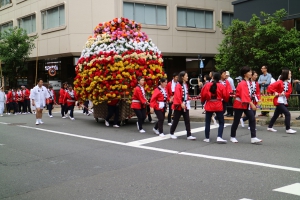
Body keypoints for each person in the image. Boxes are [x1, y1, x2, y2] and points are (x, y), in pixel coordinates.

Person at [230, 66, 262, 144]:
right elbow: (244, 95)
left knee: (252, 118)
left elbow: (250, 94)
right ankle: (232, 136)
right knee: (236, 121)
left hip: (246, 104)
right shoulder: (242, 83)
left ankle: (253, 137)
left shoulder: (249, 82)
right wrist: (252, 104)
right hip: (239, 104)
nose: (251, 73)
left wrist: (257, 100)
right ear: (245, 74)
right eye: (249, 72)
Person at [201, 72, 229, 143]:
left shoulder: (207, 85)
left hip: (209, 104)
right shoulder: (221, 86)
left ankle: (207, 138)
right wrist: (225, 101)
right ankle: (219, 136)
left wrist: (203, 101)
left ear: (212, 77)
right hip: (218, 104)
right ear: (219, 78)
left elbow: (203, 94)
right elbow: (226, 96)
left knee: (207, 122)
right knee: (221, 122)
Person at [267, 69, 296, 134]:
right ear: (286, 74)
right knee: (287, 113)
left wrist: (285, 94)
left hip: (283, 100)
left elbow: (289, 92)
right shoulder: (279, 82)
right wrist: (275, 92)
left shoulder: (288, 84)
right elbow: (270, 87)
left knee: (276, 115)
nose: (290, 75)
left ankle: (270, 126)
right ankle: (288, 129)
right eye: (289, 74)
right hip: (279, 101)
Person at [169, 71, 196, 140]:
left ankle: (189, 135)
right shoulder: (178, 85)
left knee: (187, 120)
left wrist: (188, 97)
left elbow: (186, 94)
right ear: (182, 77)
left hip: (185, 104)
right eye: (186, 76)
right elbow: (177, 96)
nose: (187, 77)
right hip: (179, 106)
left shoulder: (186, 84)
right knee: (176, 120)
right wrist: (181, 103)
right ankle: (171, 133)